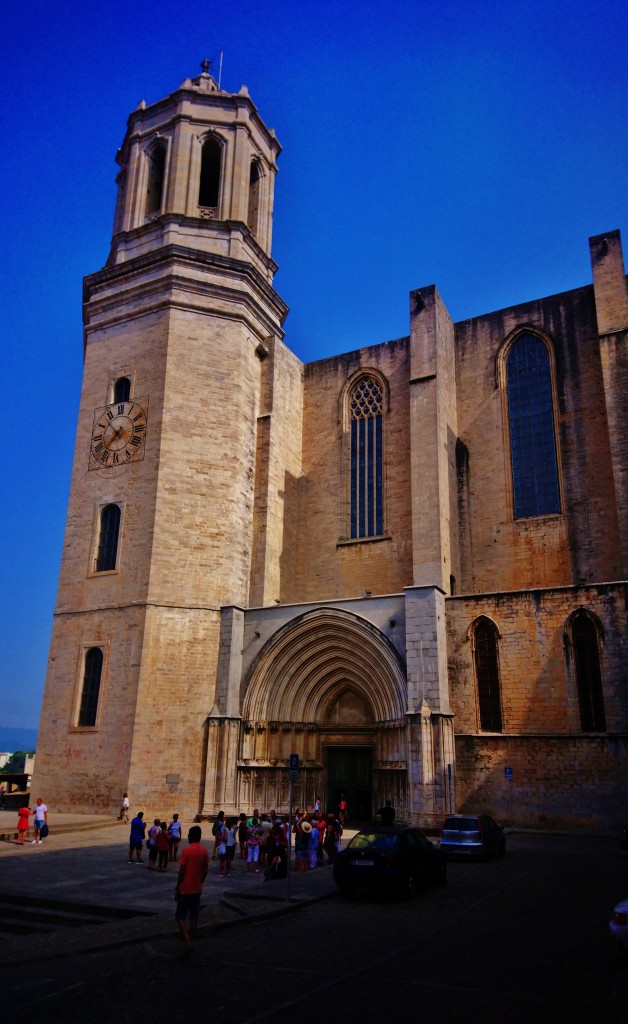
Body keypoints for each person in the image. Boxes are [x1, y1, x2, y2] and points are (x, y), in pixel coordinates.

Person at [175, 825, 209, 955]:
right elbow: (205, 870)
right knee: (194, 916)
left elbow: (182, 871)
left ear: (189, 837)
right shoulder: (204, 851)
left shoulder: (186, 851)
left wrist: (178, 886)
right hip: (197, 888)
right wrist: (200, 881)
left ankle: (188, 942)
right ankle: (190, 939)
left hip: (186, 889)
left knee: (180, 916)